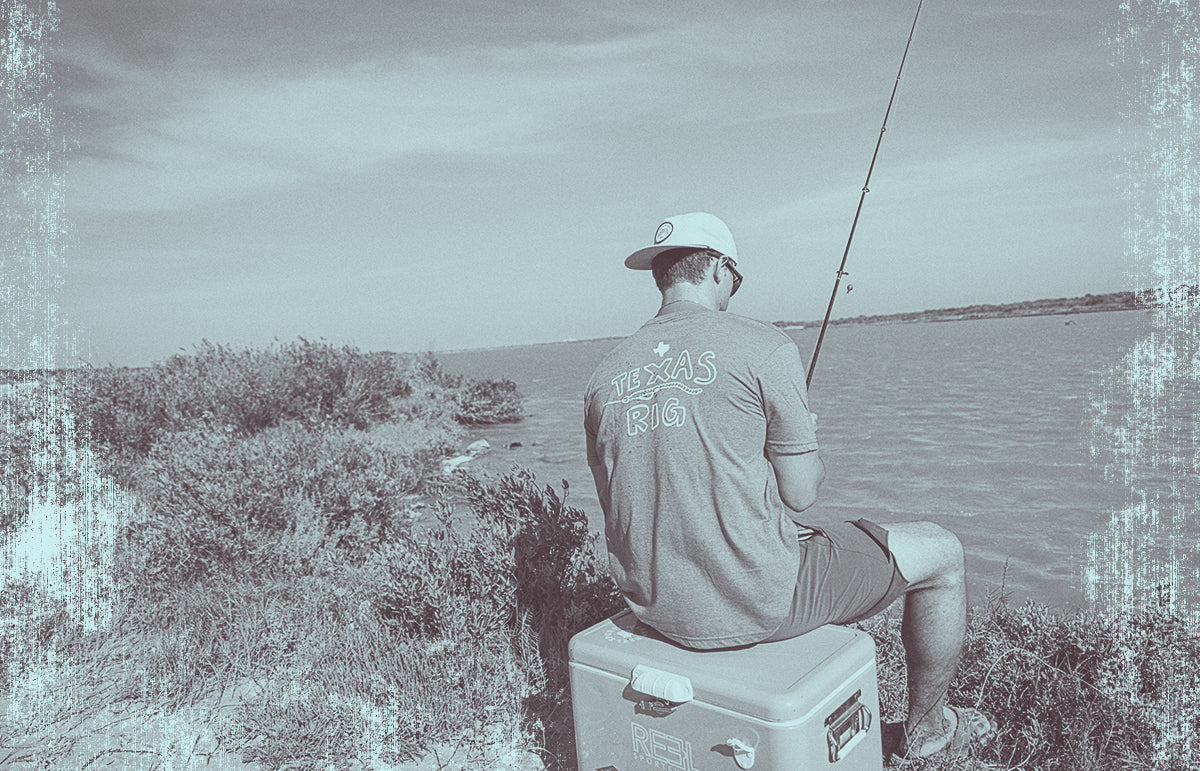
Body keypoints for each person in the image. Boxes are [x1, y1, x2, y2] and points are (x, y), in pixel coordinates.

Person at [583, 212, 996, 761]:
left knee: (811, 534)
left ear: (662, 276)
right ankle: (927, 733)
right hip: (758, 604)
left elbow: (628, 499)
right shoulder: (763, 347)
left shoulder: (603, 377)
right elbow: (801, 494)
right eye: (737, 276)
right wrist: (807, 441)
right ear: (720, 271)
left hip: (656, 605)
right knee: (943, 554)